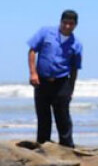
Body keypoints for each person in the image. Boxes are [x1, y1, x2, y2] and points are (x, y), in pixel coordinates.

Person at [27, 9, 83, 147]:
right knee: (43, 115)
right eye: (65, 23)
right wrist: (33, 73)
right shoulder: (46, 32)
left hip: (62, 82)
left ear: (75, 25)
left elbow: (75, 68)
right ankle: (43, 144)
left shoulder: (76, 44)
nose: (67, 26)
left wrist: (71, 88)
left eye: (71, 23)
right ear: (60, 22)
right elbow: (32, 50)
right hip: (42, 80)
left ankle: (67, 146)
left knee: (63, 116)